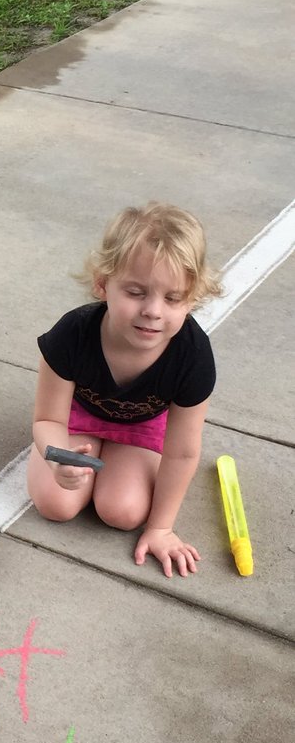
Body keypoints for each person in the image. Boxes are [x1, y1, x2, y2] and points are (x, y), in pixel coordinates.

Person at [26, 203, 222, 580]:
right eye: (135, 291)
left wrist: (161, 528)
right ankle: (88, 460)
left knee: (124, 512)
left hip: (141, 428)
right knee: (55, 504)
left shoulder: (192, 356)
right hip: (77, 418)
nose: (152, 310)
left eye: (172, 298)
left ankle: (117, 463)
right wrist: (57, 457)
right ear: (103, 284)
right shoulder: (74, 333)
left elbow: (182, 451)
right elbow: (47, 418)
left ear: (192, 298)